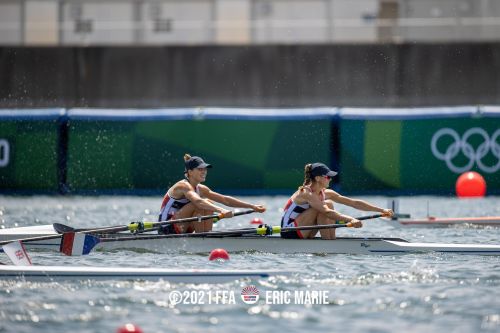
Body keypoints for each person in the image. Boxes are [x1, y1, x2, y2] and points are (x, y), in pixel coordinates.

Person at [281, 162, 393, 240]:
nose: (330, 179)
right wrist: (351, 219)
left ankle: (331, 241)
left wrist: (382, 210)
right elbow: (327, 212)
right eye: (328, 177)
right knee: (325, 207)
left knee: (328, 204)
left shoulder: (326, 193)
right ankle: (329, 244)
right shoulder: (306, 193)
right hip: (289, 230)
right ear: (318, 178)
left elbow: (353, 203)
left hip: (305, 229)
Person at [158, 154, 266, 234]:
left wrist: (252, 206)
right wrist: (221, 210)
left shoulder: (201, 189)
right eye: (200, 169)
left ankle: (206, 236)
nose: (204, 171)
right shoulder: (182, 186)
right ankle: (203, 239)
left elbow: (225, 200)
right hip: (167, 228)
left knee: (208, 203)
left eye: (205, 169)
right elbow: (198, 202)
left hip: (183, 225)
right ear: (190, 172)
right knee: (202, 204)